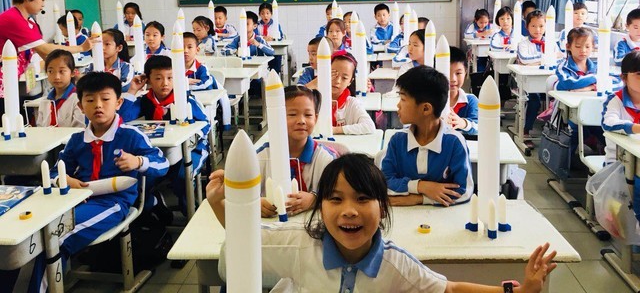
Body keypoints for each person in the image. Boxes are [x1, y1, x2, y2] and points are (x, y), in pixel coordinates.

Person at [206, 153, 557, 292]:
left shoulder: (394, 265)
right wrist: (222, 205)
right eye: (335, 199)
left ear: (384, 209)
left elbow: (448, 290)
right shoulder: (298, 245)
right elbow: (243, 243)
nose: (349, 211)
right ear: (319, 208)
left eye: (362, 199)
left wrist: (519, 291)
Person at [20, 72, 169, 293]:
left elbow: (163, 164)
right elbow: (53, 172)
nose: (98, 105)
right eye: (90, 100)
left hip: (113, 203)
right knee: (29, 236)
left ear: (118, 103)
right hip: (76, 200)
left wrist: (138, 161)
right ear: (80, 106)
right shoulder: (77, 140)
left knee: (56, 237)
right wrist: (64, 179)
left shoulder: (131, 135)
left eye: (105, 99)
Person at [119, 55, 210, 215]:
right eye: (158, 78)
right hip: (158, 152)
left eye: (170, 78)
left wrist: (187, 135)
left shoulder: (185, 100)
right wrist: (132, 90)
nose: (165, 83)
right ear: (148, 80)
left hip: (191, 149)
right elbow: (122, 119)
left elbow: (205, 124)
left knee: (182, 177)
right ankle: (153, 205)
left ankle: (190, 210)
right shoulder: (145, 101)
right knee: (138, 180)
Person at [381, 66, 473, 206]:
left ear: (426, 108)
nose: (398, 105)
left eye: (403, 99)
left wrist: (419, 199)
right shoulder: (397, 141)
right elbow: (384, 183)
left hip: (441, 216)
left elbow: (464, 191)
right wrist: (421, 186)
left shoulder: (454, 142)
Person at [0, 0, 92, 110]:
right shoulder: (12, 18)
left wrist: (71, 73)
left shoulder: (29, 22)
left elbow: (46, 55)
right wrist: (80, 48)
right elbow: (45, 48)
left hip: (11, 81)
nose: (43, 4)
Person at [257, 85, 336, 218]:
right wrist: (255, 203)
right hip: (272, 226)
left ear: (316, 118)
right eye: (292, 114)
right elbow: (244, 193)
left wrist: (315, 199)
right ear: (277, 117)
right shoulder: (262, 156)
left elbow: (338, 195)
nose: (301, 121)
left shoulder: (326, 159)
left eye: (308, 115)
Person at [322, 51, 375, 135]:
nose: (338, 81)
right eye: (334, 74)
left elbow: (369, 126)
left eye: (344, 78)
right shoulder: (315, 99)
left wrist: (334, 130)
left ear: (350, 81)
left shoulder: (351, 103)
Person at [602, 51, 640, 163]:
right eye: (639, 74)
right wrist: (636, 128)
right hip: (618, 162)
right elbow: (608, 123)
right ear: (624, 77)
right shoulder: (615, 100)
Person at [517, 10, 547, 137]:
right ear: (527, 27)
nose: (537, 30)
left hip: (547, 80)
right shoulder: (523, 44)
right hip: (527, 81)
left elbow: (560, 58)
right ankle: (526, 130)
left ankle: (554, 131)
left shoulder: (550, 43)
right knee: (534, 100)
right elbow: (524, 59)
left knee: (558, 99)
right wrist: (544, 59)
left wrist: (534, 62)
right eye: (533, 26)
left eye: (541, 26)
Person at [36, 50, 85, 128]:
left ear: (73, 73)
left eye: (61, 71)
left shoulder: (78, 99)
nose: (56, 77)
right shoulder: (45, 102)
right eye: (51, 71)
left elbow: (79, 129)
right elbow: (40, 128)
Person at [447, 47, 479, 137]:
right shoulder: (431, 100)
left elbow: (479, 127)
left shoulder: (471, 101)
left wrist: (464, 123)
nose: (453, 79)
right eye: (447, 73)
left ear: (465, 73)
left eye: (458, 73)